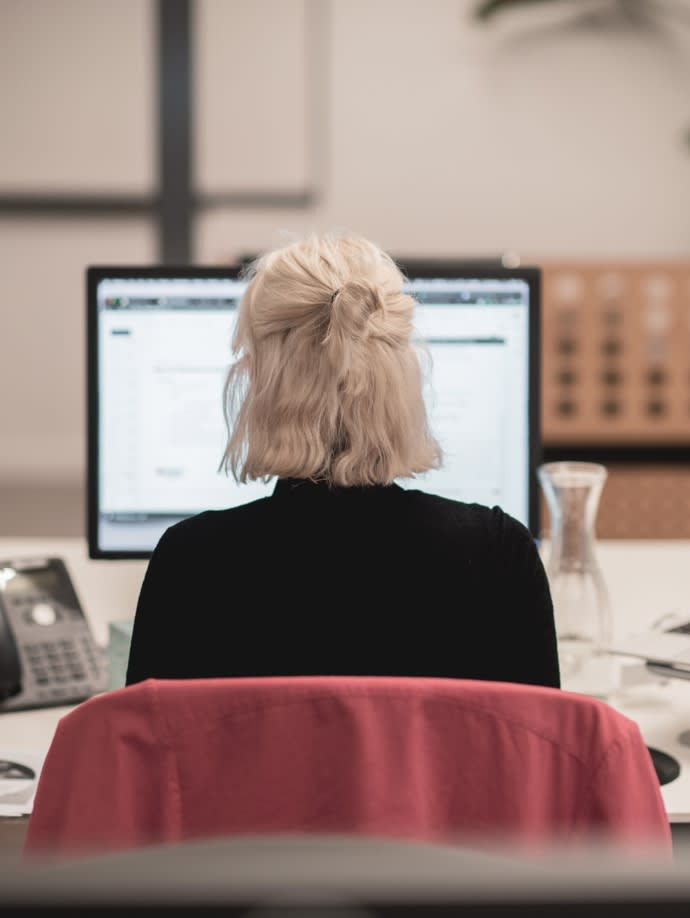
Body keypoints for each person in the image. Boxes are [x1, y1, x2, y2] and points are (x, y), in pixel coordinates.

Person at [125, 233, 560, 688]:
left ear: (258, 382)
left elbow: (137, 755)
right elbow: (540, 753)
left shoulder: (191, 566)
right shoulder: (501, 558)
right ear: (404, 374)